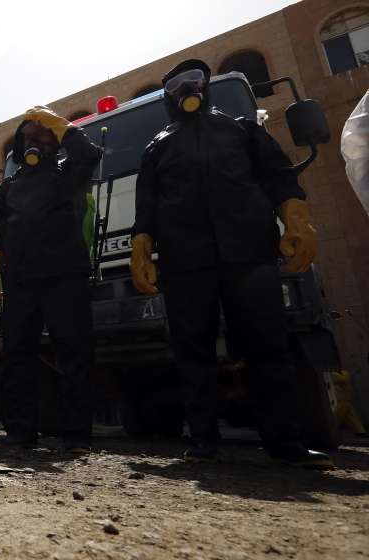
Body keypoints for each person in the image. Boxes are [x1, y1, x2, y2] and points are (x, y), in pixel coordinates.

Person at [129, 59, 332, 468]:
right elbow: (146, 208)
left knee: (268, 348)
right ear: (167, 96)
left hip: (250, 255)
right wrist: (140, 251)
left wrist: (297, 220)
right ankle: (203, 442)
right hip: (186, 262)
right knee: (192, 350)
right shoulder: (157, 147)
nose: (188, 88)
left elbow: (278, 176)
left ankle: (285, 444)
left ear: (206, 87)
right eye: (177, 84)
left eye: (196, 80)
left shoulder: (243, 128)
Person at [0, 106, 103, 454]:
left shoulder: (69, 173)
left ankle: (77, 435)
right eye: (27, 135)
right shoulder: (9, 186)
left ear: (54, 139)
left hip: (63, 274)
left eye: (41, 133)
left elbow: (89, 154)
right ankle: (21, 431)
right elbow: (0, 233)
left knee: (75, 352)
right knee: (18, 355)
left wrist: (56, 122)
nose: (32, 139)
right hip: (21, 280)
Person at [332, 370, 367, 437]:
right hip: (342, 398)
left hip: (346, 398)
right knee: (337, 415)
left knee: (351, 416)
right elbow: (343, 379)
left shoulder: (336, 373)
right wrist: (344, 372)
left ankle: (360, 432)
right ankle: (330, 430)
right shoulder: (332, 373)